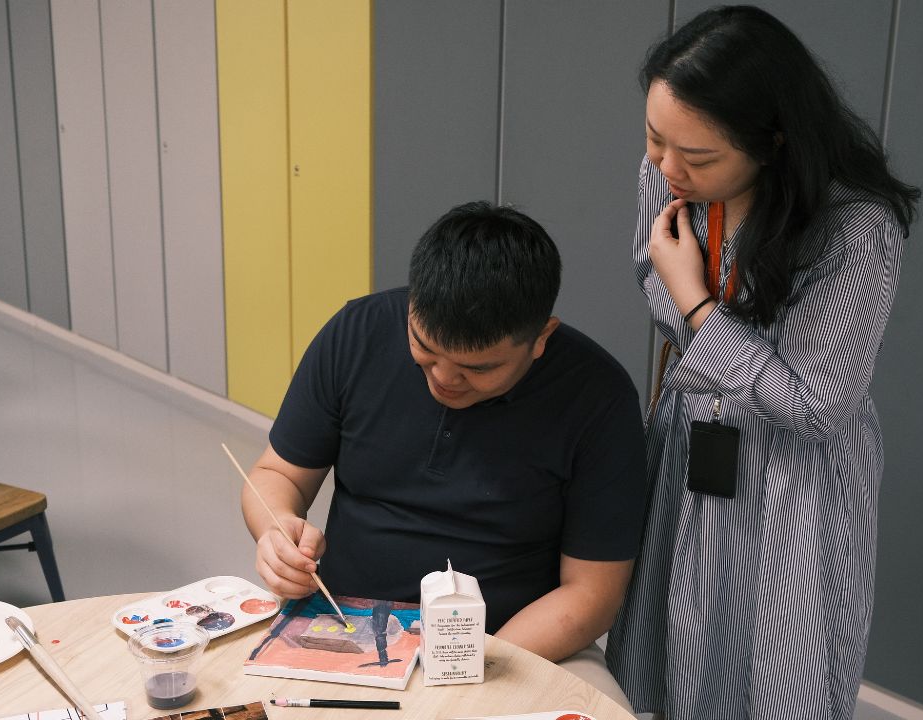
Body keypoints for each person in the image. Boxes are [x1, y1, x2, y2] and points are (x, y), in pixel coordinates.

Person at [604, 6, 921, 720]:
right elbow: (647, 266)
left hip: (793, 479)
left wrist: (698, 311)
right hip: (691, 439)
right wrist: (686, 303)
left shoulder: (854, 230)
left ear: (773, 142)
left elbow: (815, 406)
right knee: (675, 637)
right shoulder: (669, 168)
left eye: (700, 158)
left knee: (779, 664)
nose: (667, 169)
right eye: (655, 140)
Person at [242, 201, 648, 705]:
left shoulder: (597, 396)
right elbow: (277, 472)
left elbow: (591, 594)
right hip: (345, 622)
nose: (444, 379)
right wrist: (276, 527)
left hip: (519, 646)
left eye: (478, 368)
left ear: (540, 338)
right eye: (425, 350)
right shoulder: (358, 332)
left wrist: (466, 663)